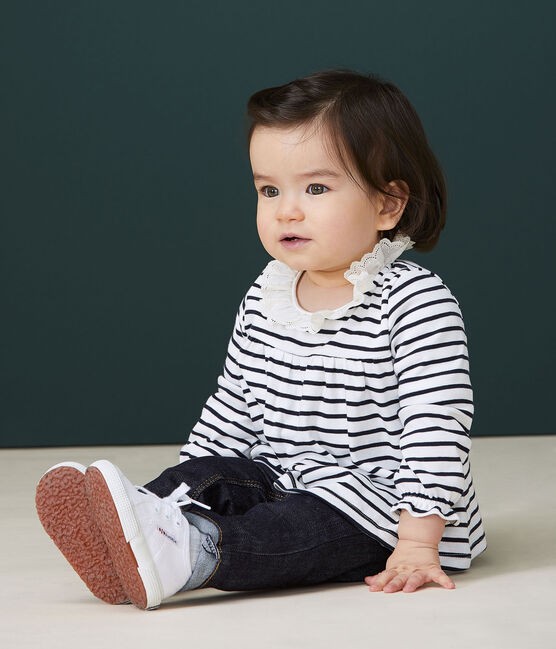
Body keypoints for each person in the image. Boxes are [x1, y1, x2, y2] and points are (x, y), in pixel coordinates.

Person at [36, 69, 486, 610]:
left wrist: (417, 542)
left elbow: (437, 426)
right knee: (209, 474)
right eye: (269, 190)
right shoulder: (267, 294)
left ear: (388, 204)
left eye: (316, 188)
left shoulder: (414, 300)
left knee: (290, 530)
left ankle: (195, 552)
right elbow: (234, 404)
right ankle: (144, 523)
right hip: (282, 476)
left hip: (379, 510)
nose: (285, 209)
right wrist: (189, 481)